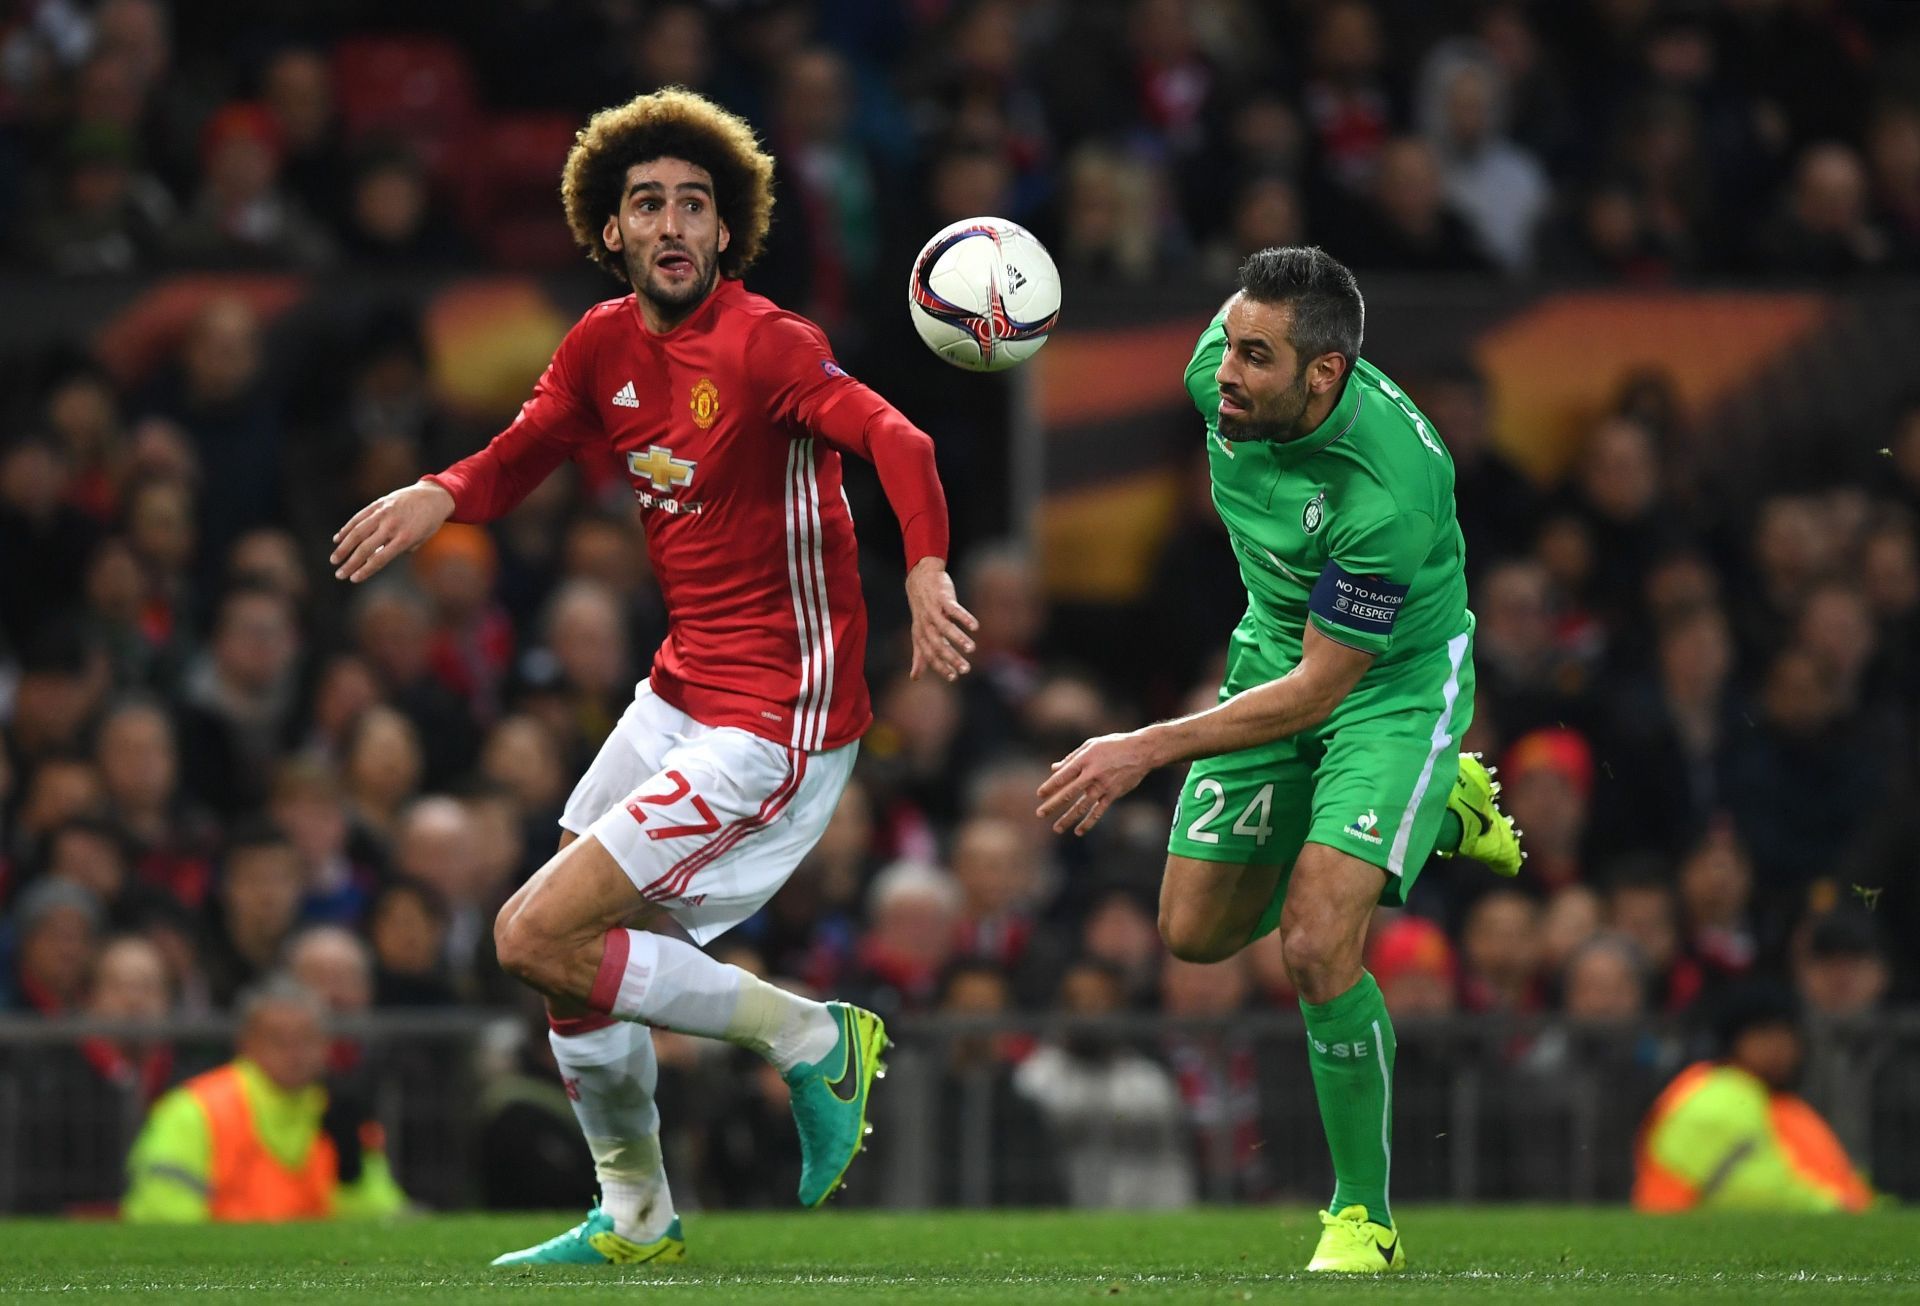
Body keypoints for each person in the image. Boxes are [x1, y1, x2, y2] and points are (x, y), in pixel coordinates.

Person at [327, 88, 976, 1266]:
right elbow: (521, 450)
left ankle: (811, 1038)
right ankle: (636, 1218)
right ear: (611, 230)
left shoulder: (770, 343)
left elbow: (902, 439)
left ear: (727, 233)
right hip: (678, 693)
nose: (672, 223)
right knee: (572, 965)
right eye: (647, 204)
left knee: (531, 933)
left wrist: (925, 571)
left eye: (694, 204)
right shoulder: (600, 344)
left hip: (779, 719)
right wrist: (439, 494)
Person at [1036, 247, 1522, 1273]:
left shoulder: (1388, 490)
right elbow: (1286, 675)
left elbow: (1320, 692)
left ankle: (1362, 1217)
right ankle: (1429, 813)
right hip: (1271, 648)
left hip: (1385, 688)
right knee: (1193, 933)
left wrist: (1144, 745)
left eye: (1255, 357)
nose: (1225, 373)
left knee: (1311, 939)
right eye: (1229, 340)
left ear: (1324, 375)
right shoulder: (1221, 365)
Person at [121, 977, 408, 1222]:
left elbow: (384, 1219)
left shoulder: (340, 1113)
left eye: (306, 1038)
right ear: (246, 1043)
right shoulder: (194, 1111)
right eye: (278, 1039)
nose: (295, 1052)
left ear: (325, 1044)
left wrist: (351, 1176)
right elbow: (161, 1216)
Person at [1633, 985, 1872, 1213]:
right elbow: (1759, 1193)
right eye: (1763, 1033)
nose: (1779, 1046)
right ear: (1733, 1041)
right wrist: (1838, 1210)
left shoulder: (1783, 1105)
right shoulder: (1717, 1098)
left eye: (1787, 1035)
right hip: (1680, 1236)